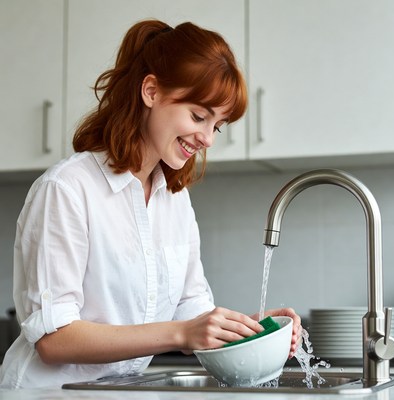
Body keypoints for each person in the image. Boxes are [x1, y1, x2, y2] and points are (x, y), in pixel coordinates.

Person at [0, 19, 302, 389]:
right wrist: (182, 334)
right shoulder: (66, 189)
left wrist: (250, 329)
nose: (207, 138)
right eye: (198, 116)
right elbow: (54, 339)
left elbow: (192, 311)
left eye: (218, 126)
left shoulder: (174, 199)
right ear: (151, 91)